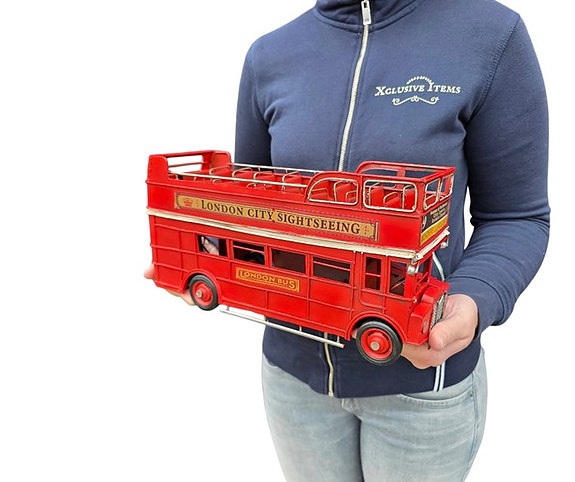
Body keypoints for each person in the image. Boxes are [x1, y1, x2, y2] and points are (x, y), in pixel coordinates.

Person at [146, 0, 549, 480]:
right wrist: (202, 253)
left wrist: (474, 298)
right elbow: (250, 203)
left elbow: (516, 216)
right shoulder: (269, 54)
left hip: (422, 389)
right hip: (292, 380)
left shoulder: (491, 36)